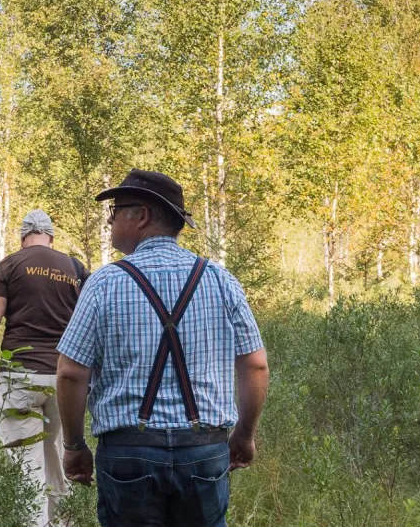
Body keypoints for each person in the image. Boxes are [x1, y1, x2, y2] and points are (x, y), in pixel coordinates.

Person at [55, 169, 269, 527]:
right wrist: (244, 434)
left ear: (141, 215)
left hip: (128, 455)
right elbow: (256, 365)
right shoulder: (219, 279)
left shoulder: (104, 283)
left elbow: (71, 373)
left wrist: (74, 446)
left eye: (115, 211)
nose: (110, 223)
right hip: (204, 451)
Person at [0, 209, 90, 527]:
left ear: (23, 237)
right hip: (65, 379)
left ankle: (37, 523)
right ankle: (62, 518)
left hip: (21, 376)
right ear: (51, 237)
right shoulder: (76, 268)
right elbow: (92, 324)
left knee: (27, 462)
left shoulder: (10, 264)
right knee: (52, 449)